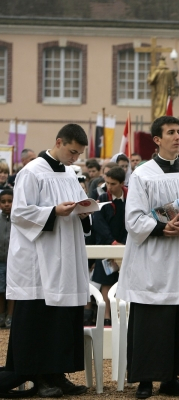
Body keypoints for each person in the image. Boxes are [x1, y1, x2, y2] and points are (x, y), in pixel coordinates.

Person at [116, 116, 179, 399]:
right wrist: (162, 227)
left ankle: (172, 379)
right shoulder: (143, 175)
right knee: (151, 324)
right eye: (171, 133)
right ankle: (145, 380)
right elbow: (133, 219)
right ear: (157, 140)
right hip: (153, 260)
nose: (177, 137)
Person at [6, 124, 91, 397]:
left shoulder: (69, 173)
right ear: (58, 142)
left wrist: (84, 212)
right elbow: (19, 213)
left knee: (62, 321)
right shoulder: (31, 172)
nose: (74, 159)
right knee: (39, 322)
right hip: (39, 261)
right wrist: (53, 211)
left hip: (64, 259)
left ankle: (58, 373)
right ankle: (39, 378)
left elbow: (79, 205)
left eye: (78, 154)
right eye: (72, 152)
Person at [91, 167, 128, 326]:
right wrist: (112, 242)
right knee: (106, 281)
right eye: (107, 182)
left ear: (121, 183)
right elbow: (99, 223)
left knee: (124, 280)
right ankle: (107, 316)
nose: (109, 186)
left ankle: (123, 314)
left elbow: (132, 222)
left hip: (127, 245)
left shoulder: (131, 198)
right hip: (106, 245)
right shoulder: (103, 198)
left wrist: (126, 243)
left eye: (113, 183)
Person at [148, 56, 178, 121]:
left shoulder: (157, 71)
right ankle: (163, 117)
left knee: (158, 105)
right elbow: (172, 85)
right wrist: (173, 93)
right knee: (165, 105)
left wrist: (149, 74)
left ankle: (159, 118)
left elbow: (151, 81)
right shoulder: (169, 72)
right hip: (167, 93)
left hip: (158, 92)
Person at [0, 189, 13, 329]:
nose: (7, 204)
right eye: (3, 202)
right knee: (0, 289)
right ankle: (1, 314)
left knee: (11, 289)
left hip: (14, 262)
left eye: (10, 201)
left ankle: (10, 315)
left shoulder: (17, 219)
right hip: (0, 261)